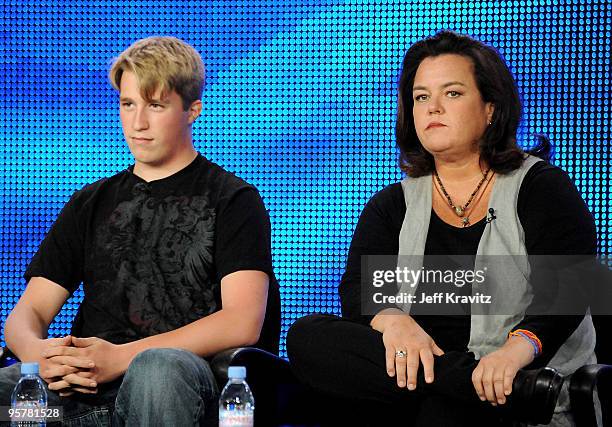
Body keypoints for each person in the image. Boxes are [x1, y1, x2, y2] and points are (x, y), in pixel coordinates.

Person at [287, 31, 597, 426]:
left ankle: (476, 391)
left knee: (435, 410)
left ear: (490, 108)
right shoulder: (392, 204)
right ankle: (470, 388)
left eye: (452, 93)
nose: (433, 107)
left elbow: (572, 288)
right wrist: (395, 320)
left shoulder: (541, 187)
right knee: (308, 336)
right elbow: (359, 293)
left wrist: (512, 355)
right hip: (444, 382)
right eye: (420, 97)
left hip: (509, 370)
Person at [0, 36, 280, 426]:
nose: (137, 123)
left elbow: (242, 321)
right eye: (128, 104)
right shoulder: (91, 201)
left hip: (176, 379)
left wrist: (120, 357)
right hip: (82, 384)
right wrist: (38, 355)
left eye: (156, 105)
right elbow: (27, 311)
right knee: (8, 386)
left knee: (156, 368)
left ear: (192, 110)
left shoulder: (233, 199)